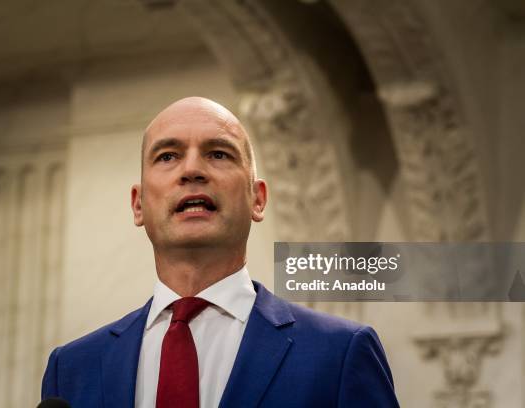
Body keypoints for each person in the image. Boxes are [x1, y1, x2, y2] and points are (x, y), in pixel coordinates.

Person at [41, 97, 400, 407]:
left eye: (218, 153)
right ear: (138, 205)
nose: (193, 169)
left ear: (257, 198)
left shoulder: (339, 353)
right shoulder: (72, 369)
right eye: (168, 156)